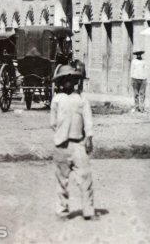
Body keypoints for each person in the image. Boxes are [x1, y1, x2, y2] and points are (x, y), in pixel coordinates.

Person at [50, 65, 96, 220]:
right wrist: (61, 135)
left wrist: (88, 137)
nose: (68, 82)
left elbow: (88, 120)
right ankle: (62, 210)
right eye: (65, 79)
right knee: (61, 180)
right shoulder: (57, 99)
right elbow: (53, 122)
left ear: (76, 81)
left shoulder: (82, 99)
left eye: (72, 79)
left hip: (78, 144)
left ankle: (88, 211)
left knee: (85, 178)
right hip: (62, 145)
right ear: (61, 82)